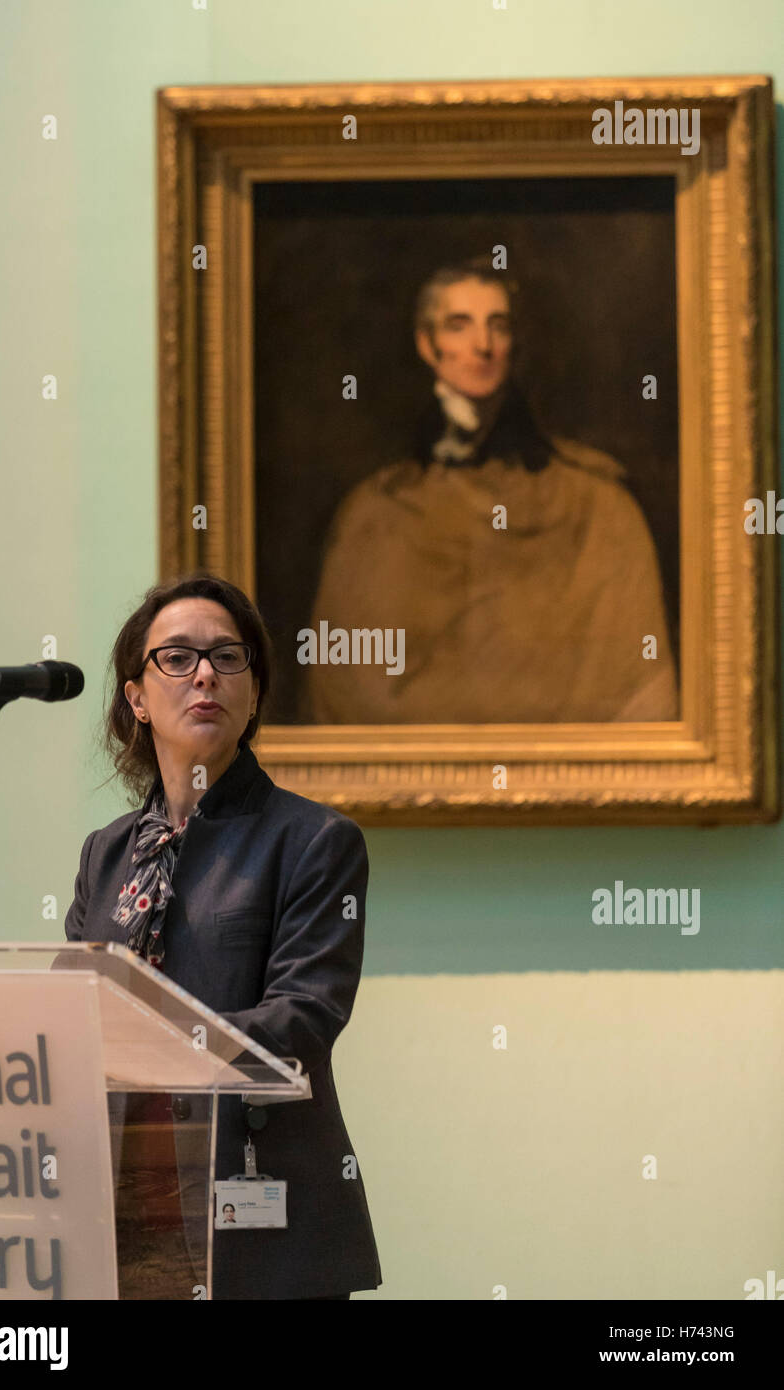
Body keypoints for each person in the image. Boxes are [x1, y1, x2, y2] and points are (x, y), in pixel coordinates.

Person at [65, 572, 381, 1300]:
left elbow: (304, 1016)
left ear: (253, 692)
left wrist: (151, 1045)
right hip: (119, 1206)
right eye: (176, 657)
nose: (204, 672)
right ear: (136, 698)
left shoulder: (312, 840)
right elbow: (77, 1011)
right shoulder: (104, 854)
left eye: (227, 657)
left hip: (256, 1210)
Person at [305, 257, 678, 724]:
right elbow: (345, 693)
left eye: (496, 326)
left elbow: (640, 687)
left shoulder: (593, 500)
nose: (482, 345)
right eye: (459, 326)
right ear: (427, 344)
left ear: (512, 343)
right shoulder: (375, 511)